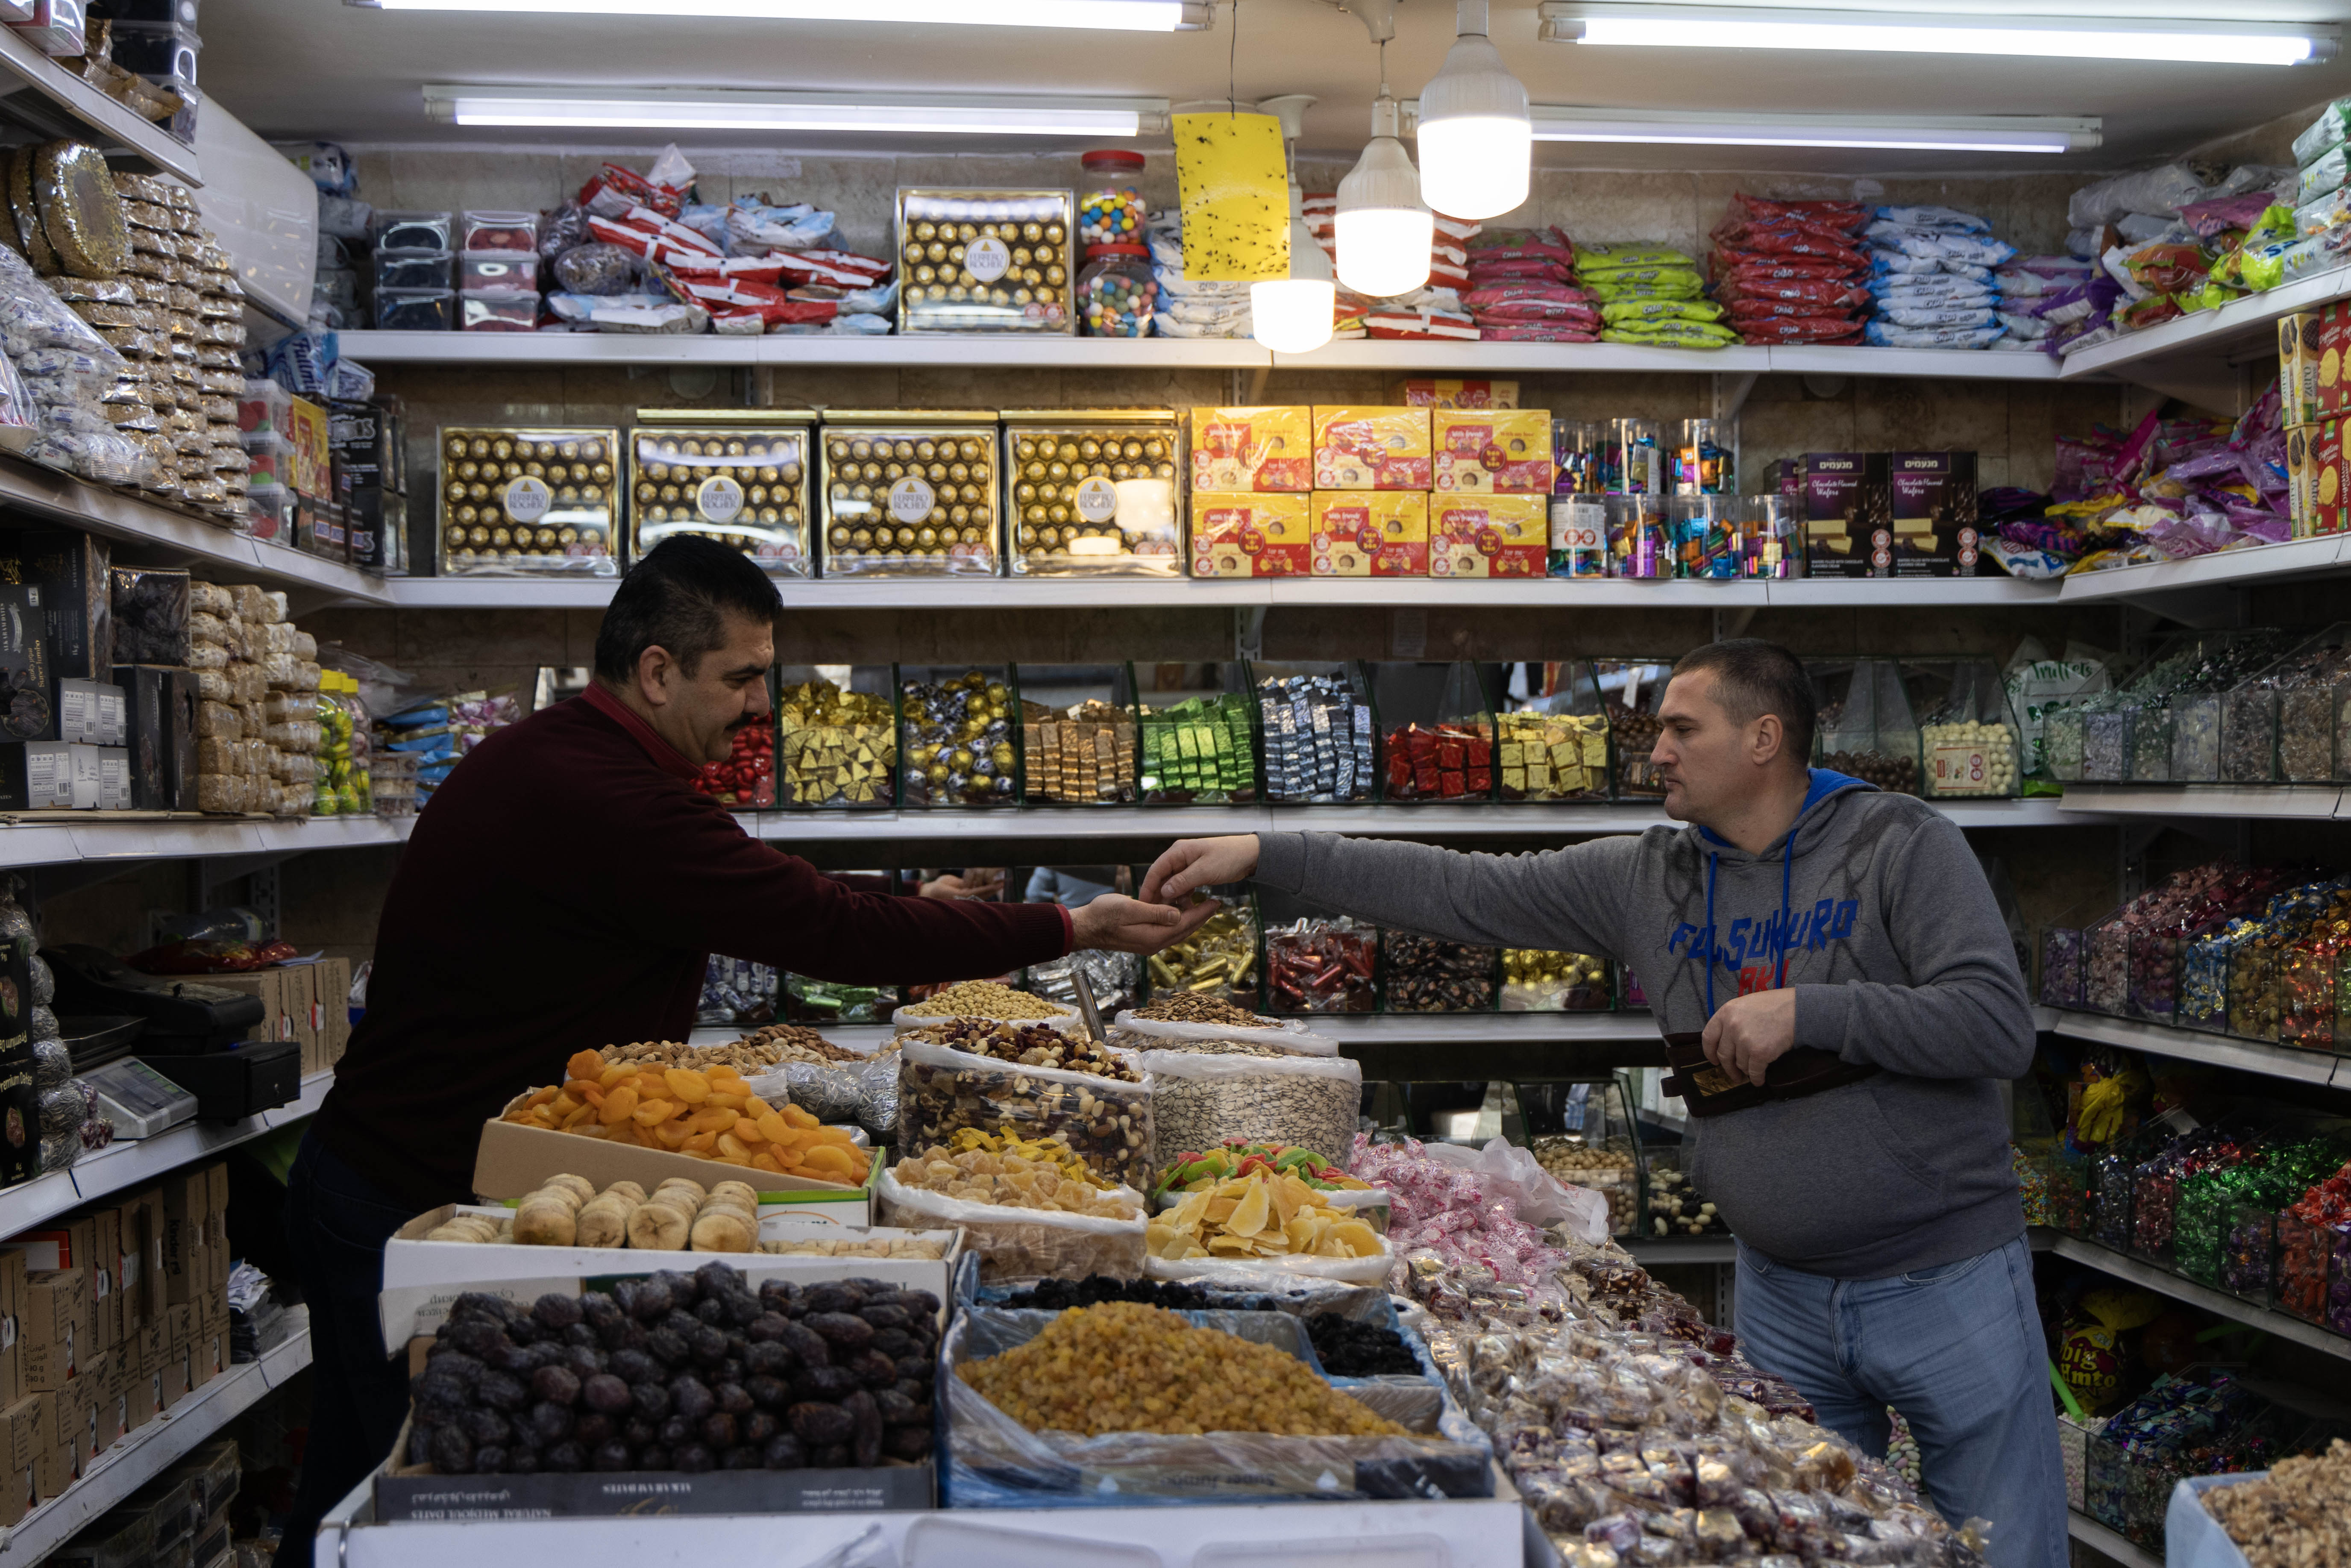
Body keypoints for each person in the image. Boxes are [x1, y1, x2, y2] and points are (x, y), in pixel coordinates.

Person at [281, 539, 1213, 1564]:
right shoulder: (614, 799)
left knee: (417, 1486)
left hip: (444, 1168)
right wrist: (1068, 927)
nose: (760, 705)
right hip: (403, 1196)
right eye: (742, 676)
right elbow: (826, 930)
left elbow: (780, 895)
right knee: (377, 1507)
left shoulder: (571, 758)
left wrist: (915, 904)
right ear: (656, 671)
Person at [1140, 640, 2056, 1568]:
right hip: (1780, 1289)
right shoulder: (1647, 877)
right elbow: (1464, 888)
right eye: (1657, 727)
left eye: (1680, 728)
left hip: (1945, 1282)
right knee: (1811, 1543)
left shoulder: (1901, 844)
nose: (1654, 749)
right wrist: (1266, 850)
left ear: (1763, 738)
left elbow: (1993, 1024)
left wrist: (1812, 1010)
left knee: (2004, 1541)